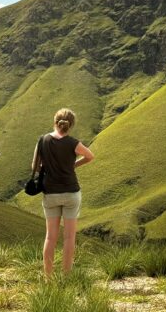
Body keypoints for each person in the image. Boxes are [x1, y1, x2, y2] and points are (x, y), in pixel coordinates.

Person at [31, 108, 94, 278]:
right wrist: (73, 165)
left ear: (55, 121)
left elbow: (34, 167)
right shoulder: (73, 143)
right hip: (71, 193)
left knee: (50, 238)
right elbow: (90, 156)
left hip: (50, 193)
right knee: (68, 238)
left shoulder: (42, 141)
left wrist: (47, 169)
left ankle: (48, 278)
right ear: (71, 125)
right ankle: (67, 276)